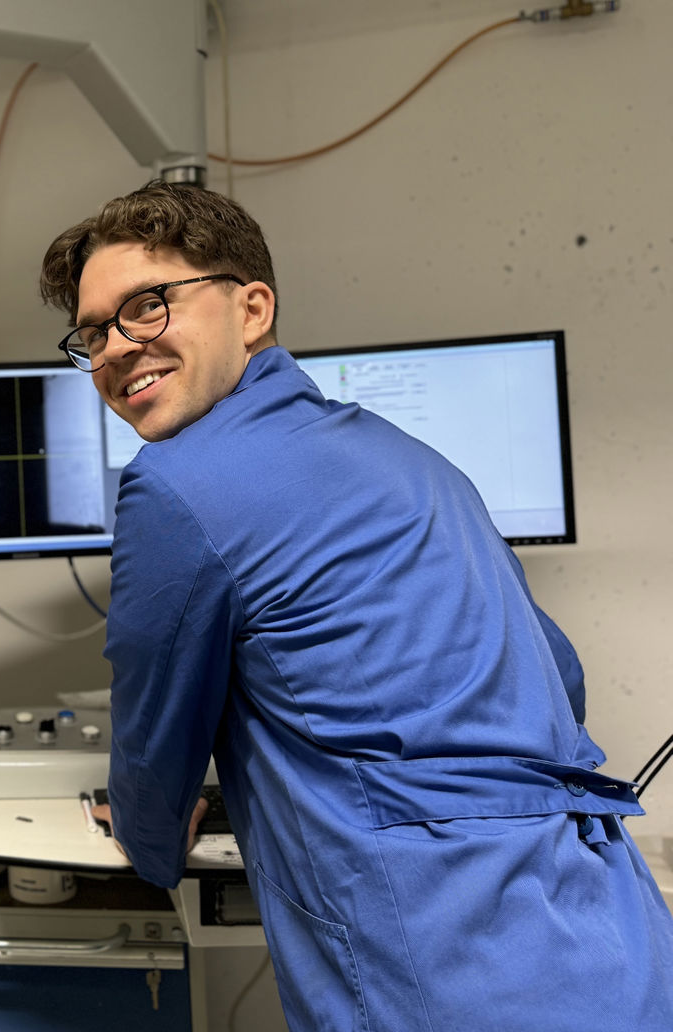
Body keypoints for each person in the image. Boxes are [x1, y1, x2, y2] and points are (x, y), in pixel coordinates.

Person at [39, 181, 673, 1031]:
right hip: (611, 933)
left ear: (253, 307)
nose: (115, 347)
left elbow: (154, 748)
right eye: (92, 332)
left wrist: (152, 846)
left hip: (449, 961)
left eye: (147, 307)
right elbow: (558, 676)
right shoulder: (419, 462)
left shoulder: (174, 483)